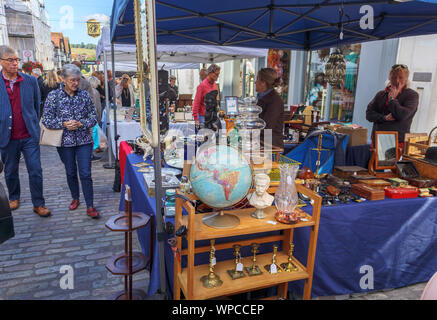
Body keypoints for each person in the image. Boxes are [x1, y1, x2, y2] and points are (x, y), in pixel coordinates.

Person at [42, 64, 100, 219]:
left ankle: (90, 205)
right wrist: (64, 124)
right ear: (63, 79)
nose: (76, 83)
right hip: (64, 142)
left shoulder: (85, 95)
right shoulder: (54, 96)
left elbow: (93, 117)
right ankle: (75, 197)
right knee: (70, 171)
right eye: (72, 80)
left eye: (78, 80)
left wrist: (81, 123)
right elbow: (46, 119)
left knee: (86, 173)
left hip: (84, 141)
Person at [0, 45, 51, 217]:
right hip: (7, 137)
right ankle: (14, 197)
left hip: (29, 135)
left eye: (16, 60)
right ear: (1, 62)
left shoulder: (30, 81)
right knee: (10, 170)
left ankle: (39, 203)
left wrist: (33, 125)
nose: (15, 63)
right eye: (10, 60)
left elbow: (37, 106)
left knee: (35, 169)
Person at [366, 64, 419, 146]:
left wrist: (392, 99)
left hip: (397, 142)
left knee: (392, 159)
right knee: (373, 159)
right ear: (389, 78)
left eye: (401, 77)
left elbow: (402, 115)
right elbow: (369, 114)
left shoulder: (412, 95)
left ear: (406, 79)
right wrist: (384, 118)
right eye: (394, 77)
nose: (397, 80)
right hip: (378, 139)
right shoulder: (381, 94)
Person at [255, 67, 285, 149]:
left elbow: (267, 127)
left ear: (263, 83)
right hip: (263, 143)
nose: (255, 82)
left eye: (257, 79)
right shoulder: (263, 98)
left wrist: (250, 131)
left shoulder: (275, 101)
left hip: (271, 146)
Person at [192, 64, 222, 130]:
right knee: (204, 139)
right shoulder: (202, 86)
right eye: (216, 74)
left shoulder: (215, 85)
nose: (217, 76)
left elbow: (215, 100)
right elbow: (196, 102)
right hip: (203, 117)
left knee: (212, 138)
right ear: (210, 73)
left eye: (218, 74)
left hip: (213, 117)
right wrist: (195, 118)